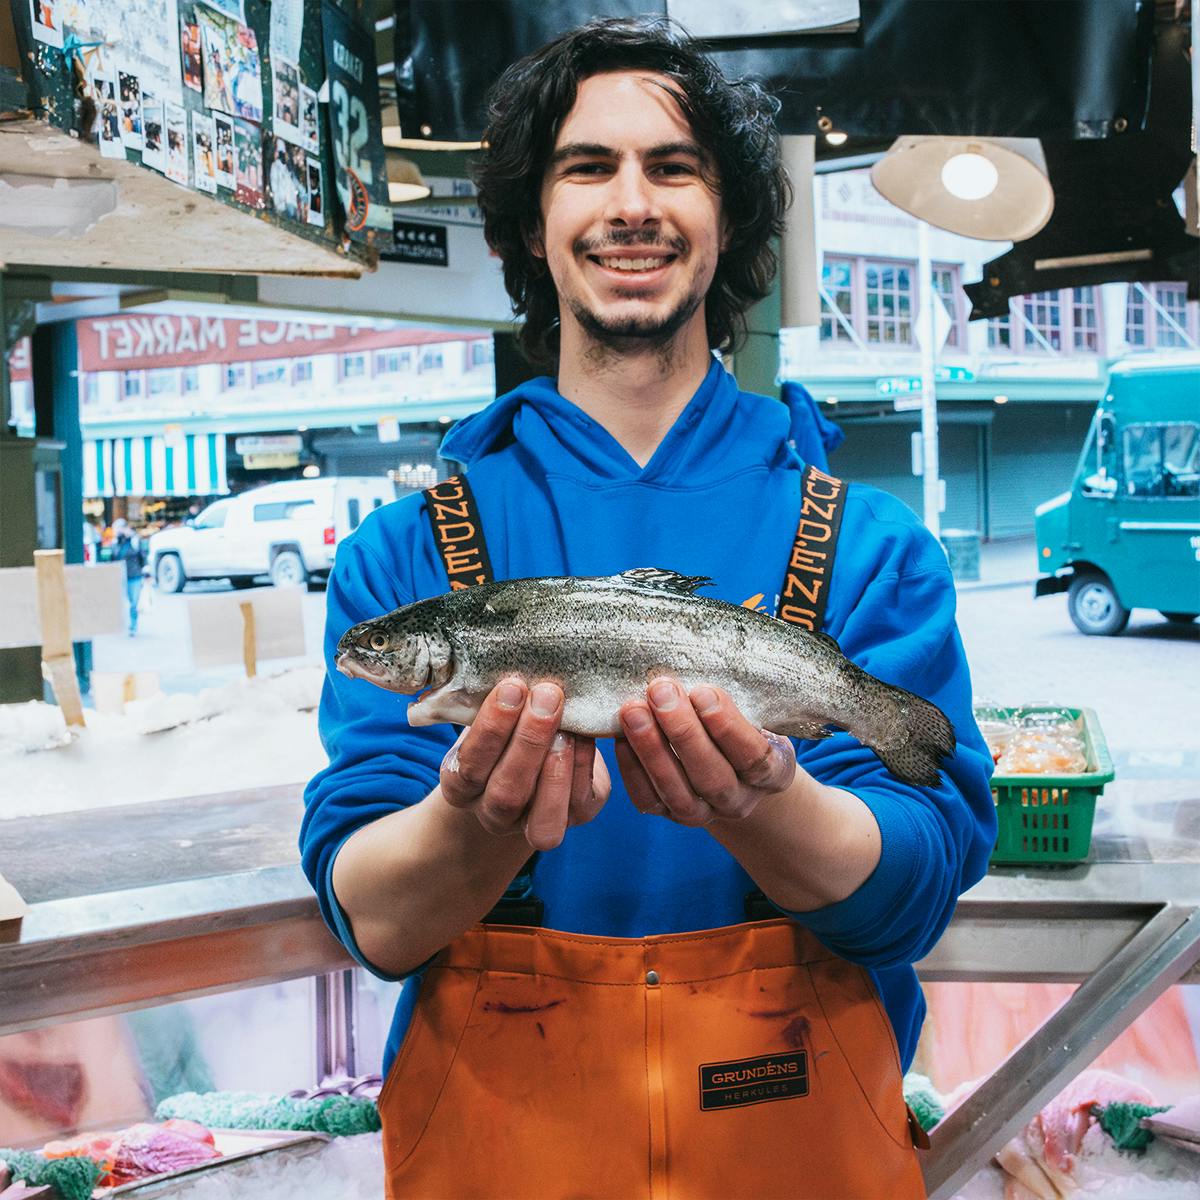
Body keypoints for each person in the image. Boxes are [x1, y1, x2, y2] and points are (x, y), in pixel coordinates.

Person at [302, 17, 996, 1199]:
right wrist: (476, 820)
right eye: (589, 167)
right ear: (534, 222)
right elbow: (370, 913)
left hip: (794, 1142)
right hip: (506, 1146)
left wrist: (769, 807)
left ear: (726, 222)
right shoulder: (411, 553)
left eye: (674, 168)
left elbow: (926, 874)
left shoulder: (872, 546)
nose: (634, 204)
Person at [110, 518, 146, 635]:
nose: (117, 531)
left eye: (119, 528)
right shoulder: (115, 542)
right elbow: (113, 558)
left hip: (134, 575)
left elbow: (142, 556)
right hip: (120, 577)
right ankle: (125, 624)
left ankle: (133, 625)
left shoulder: (134, 540)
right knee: (124, 602)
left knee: (133, 603)